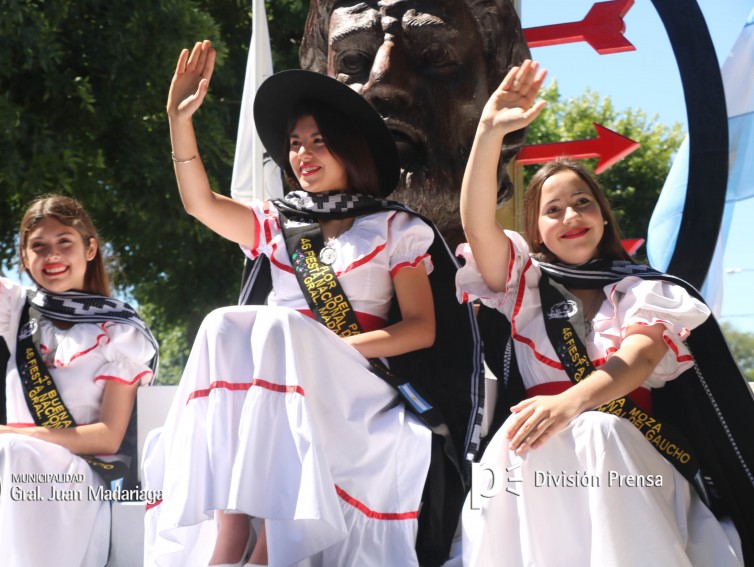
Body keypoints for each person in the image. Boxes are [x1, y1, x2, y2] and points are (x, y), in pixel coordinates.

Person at [143, 40, 481, 566]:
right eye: (295, 143)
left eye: (318, 141)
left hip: (355, 382)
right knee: (223, 323)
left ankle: (270, 551)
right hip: (280, 375)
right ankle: (232, 538)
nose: (302, 154)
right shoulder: (277, 223)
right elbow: (200, 204)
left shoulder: (395, 227)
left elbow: (420, 329)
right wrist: (178, 120)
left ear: (350, 149)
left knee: (279, 332)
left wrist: (323, 347)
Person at [456, 59, 750, 565]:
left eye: (582, 203)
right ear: (535, 230)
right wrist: (488, 130)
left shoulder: (643, 291)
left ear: (602, 215)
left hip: (631, 459)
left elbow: (636, 360)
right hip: (535, 457)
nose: (571, 216)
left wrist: (569, 405)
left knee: (600, 429)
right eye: (553, 209)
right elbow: (477, 224)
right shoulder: (523, 288)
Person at [0, 97, 158, 566]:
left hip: (75, 483)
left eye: (65, 242)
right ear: (24, 258)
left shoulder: (120, 332)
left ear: (90, 248)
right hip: (9, 459)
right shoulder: (16, 309)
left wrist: (17, 434)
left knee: (10, 454)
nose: (52, 255)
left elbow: (106, 437)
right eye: (38, 247)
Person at [300, 0, 530, 247]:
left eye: (435, 54)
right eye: (352, 61)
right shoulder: (282, 259)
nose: (383, 83)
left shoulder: (529, 282)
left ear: (498, 84)